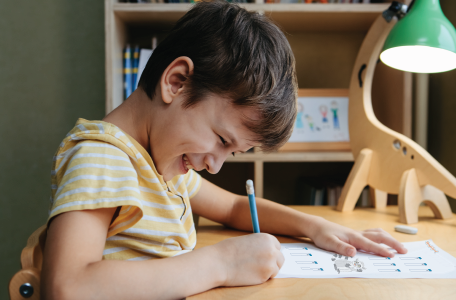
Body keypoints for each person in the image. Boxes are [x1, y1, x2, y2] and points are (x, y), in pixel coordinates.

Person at [40, 1, 407, 299]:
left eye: (231, 153)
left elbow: (233, 207)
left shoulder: (161, 164)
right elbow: (67, 287)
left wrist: (317, 226)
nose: (215, 166)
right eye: (221, 140)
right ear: (177, 82)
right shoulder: (103, 157)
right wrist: (221, 264)